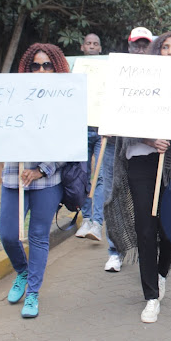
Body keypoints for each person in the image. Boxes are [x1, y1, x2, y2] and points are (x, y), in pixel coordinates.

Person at [104, 31, 171, 324]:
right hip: (141, 163)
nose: (170, 52)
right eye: (165, 47)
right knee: (146, 229)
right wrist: (149, 139)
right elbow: (124, 120)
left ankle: (161, 272)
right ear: (156, 51)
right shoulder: (138, 79)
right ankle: (150, 296)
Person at [0, 43, 71, 319]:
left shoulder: (66, 102)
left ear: (56, 68)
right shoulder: (11, 98)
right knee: (7, 234)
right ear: (27, 68)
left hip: (47, 181)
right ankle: (22, 271)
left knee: (38, 236)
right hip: (13, 176)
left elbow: (70, 146)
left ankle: (32, 293)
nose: (41, 70)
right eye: (35, 65)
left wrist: (42, 169)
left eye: (47, 65)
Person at [103, 28, 155, 271]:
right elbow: (102, 102)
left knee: (145, 204)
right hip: (115, 146)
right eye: (137, 45)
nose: (141, 49)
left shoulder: (160, 74)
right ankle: (116, 251)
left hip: (146, 151)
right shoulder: (116, 72)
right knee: (114, 195)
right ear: (129, 46)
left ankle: (148, 249)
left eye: (145, 45)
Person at [76, 33, 109, 242]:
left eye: (96, 44)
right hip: (80, 128)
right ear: (82, 47)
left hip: (102, 130)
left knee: (101, 175)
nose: (92, 46)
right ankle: (86, 218)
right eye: (88, 43)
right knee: (82, 176)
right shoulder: (75, 69)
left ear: (100, 48)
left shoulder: (108, 69)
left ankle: (97, 223)